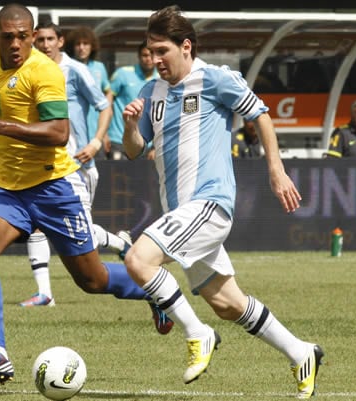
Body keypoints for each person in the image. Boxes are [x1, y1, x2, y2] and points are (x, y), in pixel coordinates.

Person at [0, 4, 172, 385]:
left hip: (53, 188)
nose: (15, 44)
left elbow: (58, 133)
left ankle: (155, 291)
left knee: (90, 280)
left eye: (22, 37)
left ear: (32, 37)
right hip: (10, 188)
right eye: (7, 36)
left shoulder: (44, 72)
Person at [121, 5, 323, 398]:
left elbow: (260, 115)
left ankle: (198, 334)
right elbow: (133, 151)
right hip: (181, 212)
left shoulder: (215, 79)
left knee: (137, 259)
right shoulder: (151, 91)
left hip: (209, 204)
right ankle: (301, 353)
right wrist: (131, 127)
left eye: (162, 50)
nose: (155, 59)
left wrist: (276, 170)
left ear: (186, 46)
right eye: (150, 50)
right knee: (227, 302)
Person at [19, 21, 131, 307]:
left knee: (76, 231)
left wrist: (95, 142)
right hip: (42, 162)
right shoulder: (29, 68)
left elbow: (104, 106)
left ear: (60, 41)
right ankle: (44, 293)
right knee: (38, 225)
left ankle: (122, 246)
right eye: (39, 39)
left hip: (76, 165)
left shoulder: (76, 70)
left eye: (49, 39)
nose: (44, 45)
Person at [65, 25, 112, 160]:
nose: (81, 48)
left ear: (92, 46)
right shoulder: (68, 67)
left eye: (85, 44)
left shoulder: (99, 67)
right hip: (73, 135)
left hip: (95, 135)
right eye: (78, 44)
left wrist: (104, 133)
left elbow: (108, 92)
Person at [107, 40, 158, 160]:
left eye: (152, 55)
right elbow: (107, 103)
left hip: (147, 144)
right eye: (145, 55)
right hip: (118, 140)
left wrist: (155, 146)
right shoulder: (122, 74)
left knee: (144, 179)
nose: (148, 59)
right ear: (139, 56)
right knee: (116, 178)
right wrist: (104, 134)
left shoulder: (162, 80)